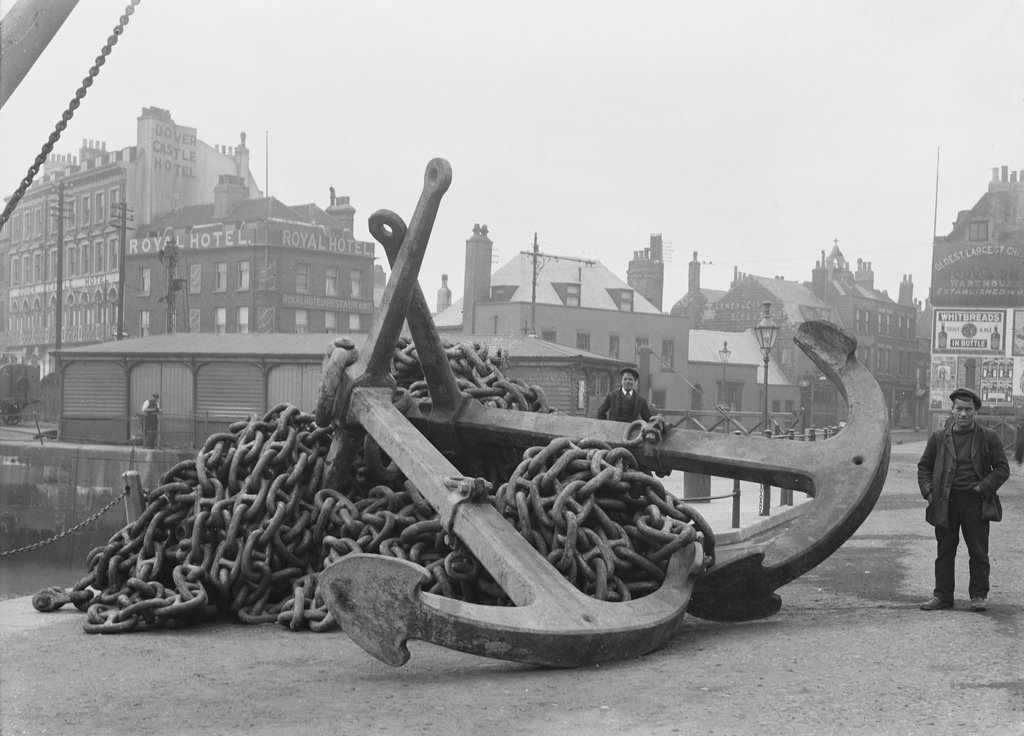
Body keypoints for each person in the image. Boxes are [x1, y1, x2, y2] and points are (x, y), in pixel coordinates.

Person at [917, 387, 1009, 612]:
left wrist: (982, 488)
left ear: (976, 411)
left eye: (969, 409)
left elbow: (1002, 469)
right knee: (945, 551)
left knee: (978, 552)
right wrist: (930, 494)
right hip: (946, 502)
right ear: (952, 410)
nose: (964, 414)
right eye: (959, 409)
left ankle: (978, 596)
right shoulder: (939, 437)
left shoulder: (989, 436)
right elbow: (924, 467)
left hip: (975, 503)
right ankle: (942, 597)